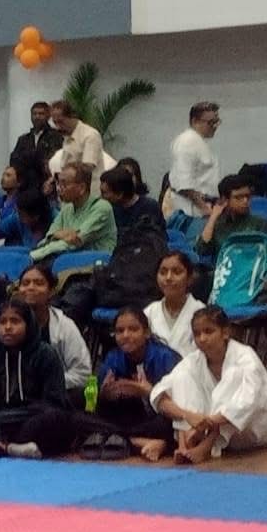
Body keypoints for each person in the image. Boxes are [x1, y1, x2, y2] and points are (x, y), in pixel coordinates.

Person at [151, 306, 267, 463]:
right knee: (182, 377)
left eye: (208, 331)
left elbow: (249, 401)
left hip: (252, 428)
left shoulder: (245, 357)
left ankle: (207, 445)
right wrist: (188, 416)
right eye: (197, 334)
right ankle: (183, 445)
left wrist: (209, 422)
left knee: (234, 376)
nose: (202, 338)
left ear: (225, 332)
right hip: (201, 430)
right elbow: (159, 395)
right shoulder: (193, 361)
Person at [0, 299, 80, 459]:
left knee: (54, 419)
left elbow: (52, 403)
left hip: (30, 420)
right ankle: (7, 447)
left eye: (15, 321)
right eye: (2, 322)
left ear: (29, 325)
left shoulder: (45, 354)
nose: (8, 327)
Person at [91, 305, 180, 460]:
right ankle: (137, 441)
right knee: (79, 418)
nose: (126, 335)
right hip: (129, 420)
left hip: (159, 419)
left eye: (133, 329)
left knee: (173, 424)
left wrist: (149, 392)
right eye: (120, 331)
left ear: (146, 333)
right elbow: (98, 405)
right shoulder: (113, 357)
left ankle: (126, 440)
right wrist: (104, 395)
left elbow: (180, 406)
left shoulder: (166, 357)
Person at [13, 262, 91, 397]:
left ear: (51, 291)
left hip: (55, 394)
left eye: (38, 283)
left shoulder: (65, 326)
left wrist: (46, 383)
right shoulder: (8, 325)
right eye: (25, 283)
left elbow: (83, 374)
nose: (31, 287)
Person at [31, 162, 117, 261]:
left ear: (82, 188)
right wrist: (56, 235)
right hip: (65, 258)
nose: (58, 189)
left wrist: (34, 255)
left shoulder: (102, 208)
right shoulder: (67, 208)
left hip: (95, 263)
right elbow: (49, 237)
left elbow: (74, 243)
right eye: (58, 183)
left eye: (64, 184)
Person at [167, 102, 222, 232]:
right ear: (195, 121)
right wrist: (205, 208)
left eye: (217, 122)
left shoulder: (198, 141)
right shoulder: (187, 142)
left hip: (204, 206)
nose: (215, 126)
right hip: (191, 211)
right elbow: (184, 185)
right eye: (211, 123)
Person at [145, 250, 205, 357]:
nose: (168, 278)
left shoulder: (201, 312)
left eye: (176, 272)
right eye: (163, 272)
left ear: (190, 278)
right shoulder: (149, 312)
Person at [99, 166, 165, 244]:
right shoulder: (109, 208)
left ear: (119, 194)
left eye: (104, 193)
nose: (101, 197)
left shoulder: (149, 207)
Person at [49, 100, 103, 194]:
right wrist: (55, 179)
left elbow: (87, 167)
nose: (58, 127)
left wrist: (64, 176)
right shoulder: (67, 135)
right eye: (55, 122)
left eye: (61, 122)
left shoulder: (90, 135)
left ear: (72, 117)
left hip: (89, 194)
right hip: (71, 193)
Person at [9, 101, 60, 191]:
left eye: (41, 114)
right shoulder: (23, 139)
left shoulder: (55, 136)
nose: (37, 117)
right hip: (26, 188)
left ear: (48, 116)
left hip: (47, 187)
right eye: (34, 114)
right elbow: (14, 161)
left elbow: (52, 160)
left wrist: (29, 157)